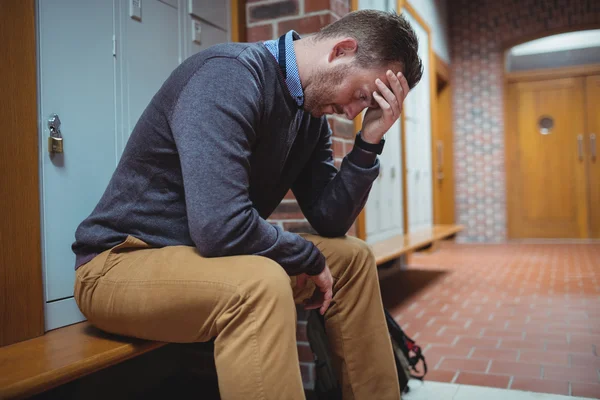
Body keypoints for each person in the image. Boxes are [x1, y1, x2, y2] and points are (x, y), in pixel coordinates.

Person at [72, 8, 422, 400]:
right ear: (341, 50)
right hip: (119, 264)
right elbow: (220, 227)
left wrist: (370, 140)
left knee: (352, 259)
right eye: (361, 97)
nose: (353, 114)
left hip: (199, 258)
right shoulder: (228, 75)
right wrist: (305, 256)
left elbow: (329, 219)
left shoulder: (309, 118)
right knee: (260, 284)